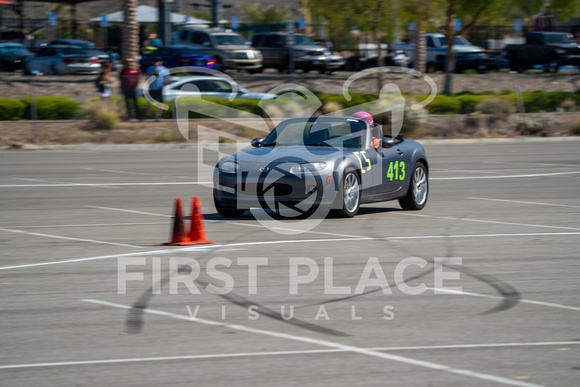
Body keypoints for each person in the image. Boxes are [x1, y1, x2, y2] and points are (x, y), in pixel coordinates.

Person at [145, 57, 169, 121]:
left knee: (160, 102)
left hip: (159, 88)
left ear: (161, 62)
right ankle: (148, 115)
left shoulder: (164, 69)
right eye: (155, 61)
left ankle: (158, 116)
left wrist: (164, 84)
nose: (156, 63)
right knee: (149, 102)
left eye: (158, 61)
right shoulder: (150, 69)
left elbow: (167, 78)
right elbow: (147, 77)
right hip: (152, 88)